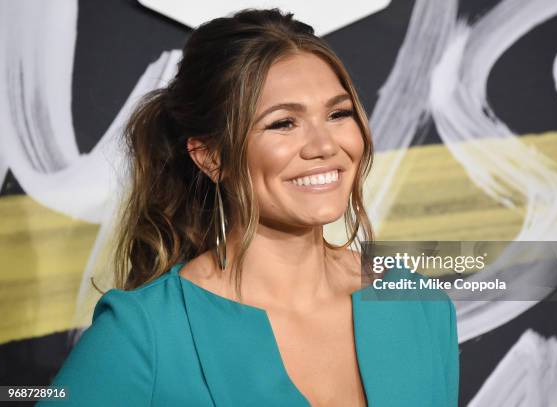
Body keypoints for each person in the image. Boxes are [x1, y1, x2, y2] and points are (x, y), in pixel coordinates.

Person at [37, 8, 458, 407]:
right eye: (283, 123)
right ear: (211, 158)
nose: (325, 146)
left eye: (338, 114)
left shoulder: (417, 303)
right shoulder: (144, 332)